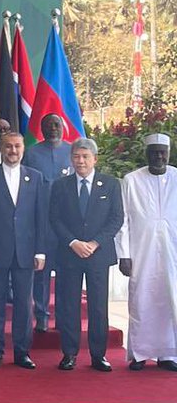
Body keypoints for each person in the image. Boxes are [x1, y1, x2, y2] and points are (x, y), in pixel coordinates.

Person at [0, 133, 48, 369]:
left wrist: (40, 251)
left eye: (17, 146)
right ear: (1, 149)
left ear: (23, 148)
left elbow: (40, 217)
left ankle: (21, 352)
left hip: (26, 251)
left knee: (23, 304)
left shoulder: (35, 178)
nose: (13, 150)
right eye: (8, 146)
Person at [50, 138, 122, 372]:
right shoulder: (61, 185)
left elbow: (116, 219)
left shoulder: (110, 185)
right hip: (69, 254)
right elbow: (55, 218)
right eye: (76, 157)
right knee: (69, 306)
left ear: (95, 159)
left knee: (98, 307)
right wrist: (73, 242)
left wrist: (94, 243)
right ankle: (69, 354)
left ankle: (98, 355)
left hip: (98, 254)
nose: (80, 161)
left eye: (85, 157)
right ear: (71, 159)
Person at [116, 133, 177, 372]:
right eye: (154, 152)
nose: (159, 156)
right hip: (141, 252)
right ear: (146, 154)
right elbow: (123, 221)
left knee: (171, 300)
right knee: (141, 300)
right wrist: (124, 254)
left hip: (173, 253)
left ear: (169, 153)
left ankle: (169, 354)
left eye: (163, 152)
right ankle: (140, 353)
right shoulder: (131, 180)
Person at [24, 113, 73, 333]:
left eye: (56, 124)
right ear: (41, 130)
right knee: (41, 273)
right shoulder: (31, 153)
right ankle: (42, 316)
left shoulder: (73, 151)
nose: (53, 128)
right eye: (48, 126)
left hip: (67, 224)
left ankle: (63, 316)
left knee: (65, 273)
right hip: (40, 221)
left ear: (62, 127)